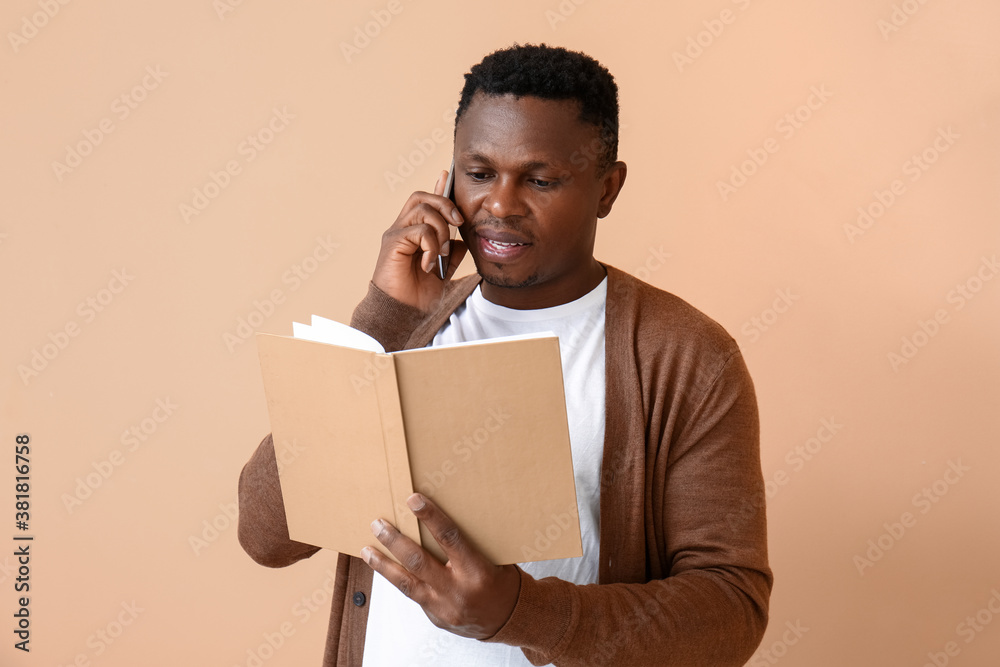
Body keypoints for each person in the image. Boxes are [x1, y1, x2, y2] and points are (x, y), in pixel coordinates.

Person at [238, 43, 772, 666]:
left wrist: (519, 612)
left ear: (608, 187)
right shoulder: (408, 323)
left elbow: (731, 612)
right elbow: (266, 536)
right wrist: (384, 320)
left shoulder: (685, 357)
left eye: (541, 180)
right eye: (480, 173)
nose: (500, 205)